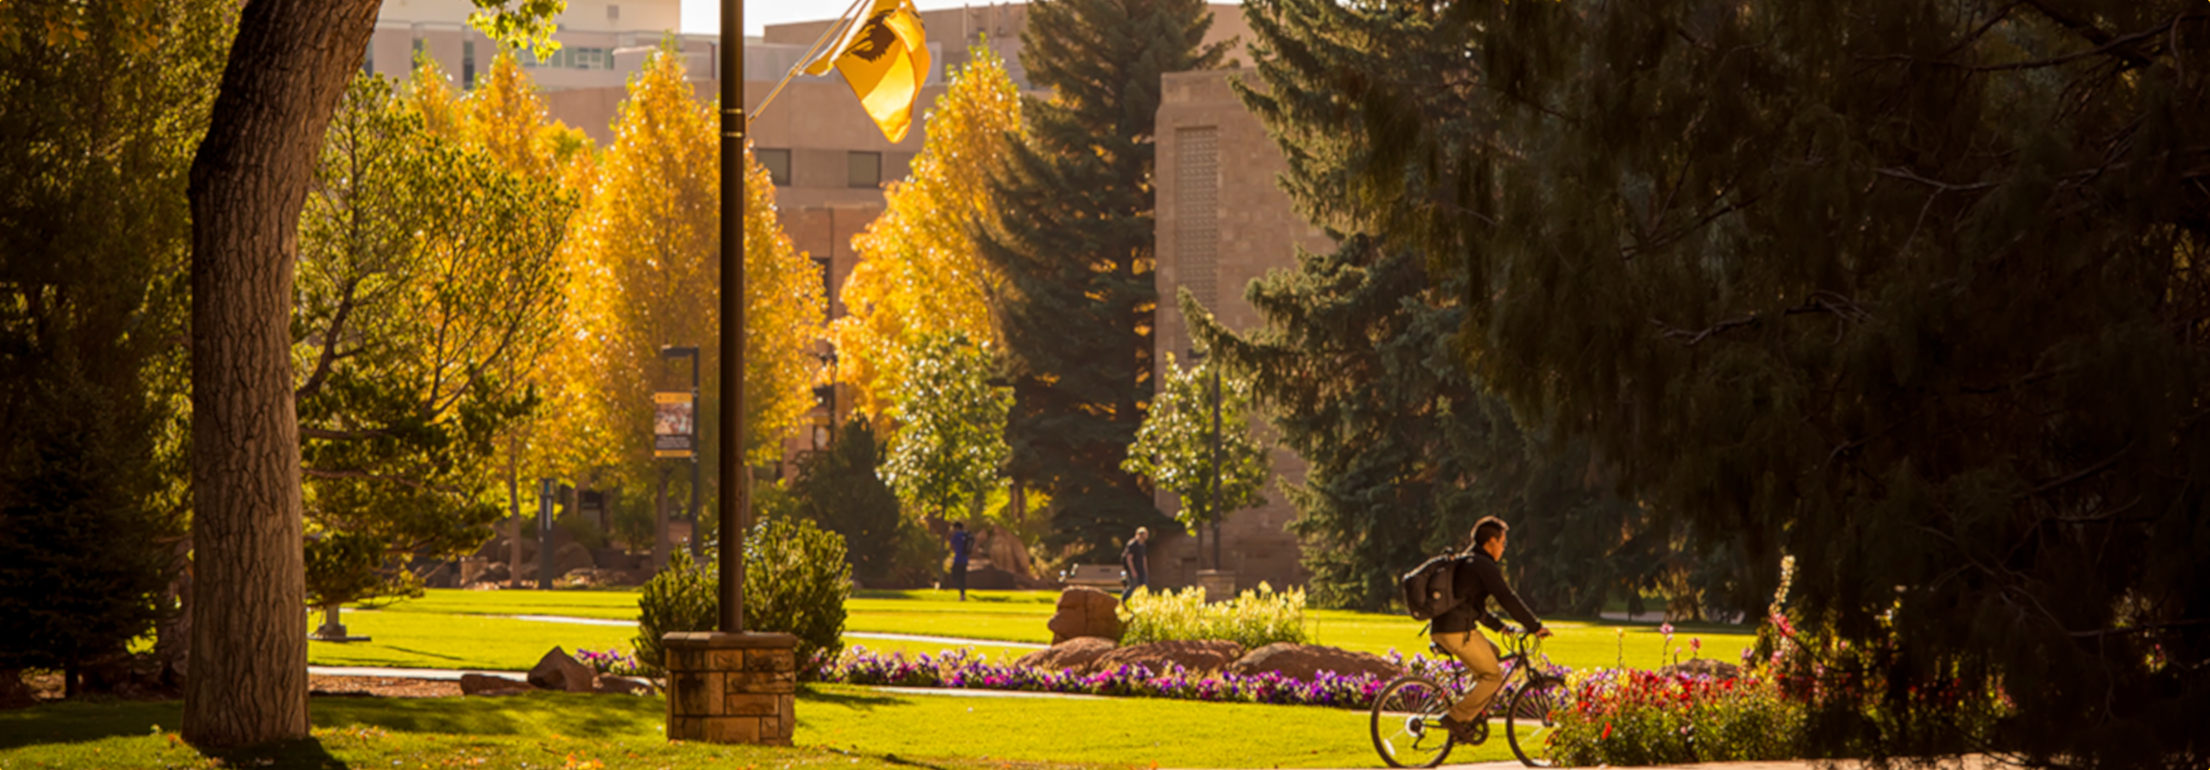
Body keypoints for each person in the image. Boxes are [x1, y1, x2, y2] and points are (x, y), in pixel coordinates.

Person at [1433, 516, 1550, 744]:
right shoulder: (1482, 565)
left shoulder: (1468, 561)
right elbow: (1506, 597)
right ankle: (1455, 717)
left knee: (1494, 654)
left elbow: (1475, 607)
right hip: (1457, 631)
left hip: (1446, 628)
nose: (1504, 548)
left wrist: (1501, 628)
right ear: (1491, 542)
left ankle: (1469, 712)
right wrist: (1534, 626)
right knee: (1493, 676)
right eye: (1503, 543)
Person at [1119, 526, 1150, 602]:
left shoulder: (1142, 545)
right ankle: (1122, 601)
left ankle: (1144, 602)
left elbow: (1143, 558)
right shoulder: (1132, 544)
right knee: (1132, 587)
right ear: (1140, 535)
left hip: (1141, 569)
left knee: (1145, 586)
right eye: (1145, 534)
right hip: (1134, 569)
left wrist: (1146, 570)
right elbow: (1129, 558)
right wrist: (1133, 571)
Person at [948, 521, 973, 601]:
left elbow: (951, 545)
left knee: (954, 576)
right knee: (962, 577)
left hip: (958, 559)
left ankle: (961, 593)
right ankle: (963, 594)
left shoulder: (957, 535)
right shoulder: (966, 535)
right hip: (965, 559)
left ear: (957, 528)